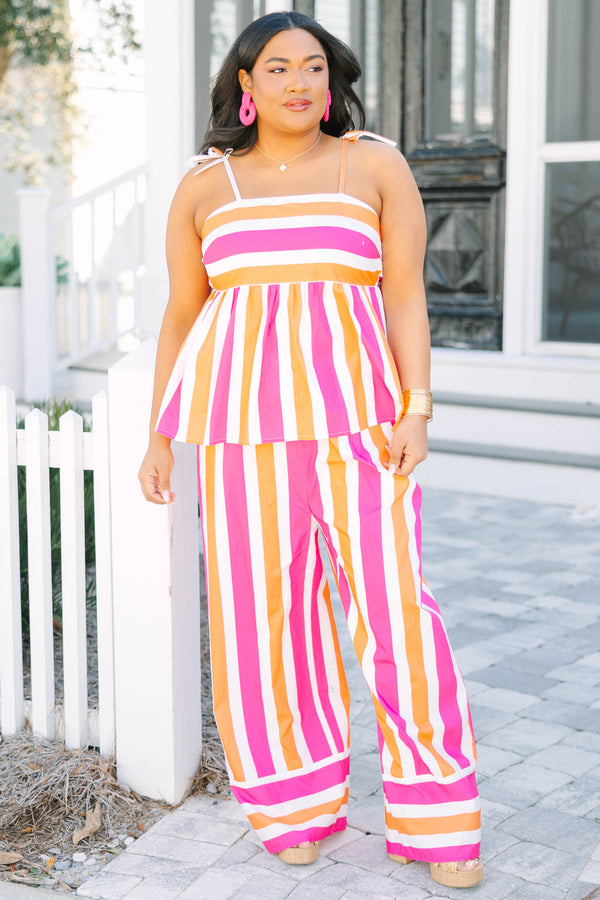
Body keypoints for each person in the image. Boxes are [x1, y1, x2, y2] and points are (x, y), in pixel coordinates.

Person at [138, 11, 482, 890]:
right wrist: (158, 435)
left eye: (315, 66)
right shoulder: (205, 187)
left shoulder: (373, 161)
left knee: (398, 616)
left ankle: (438, 817)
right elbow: (183, 314)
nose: (300, 81)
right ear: (245, 88)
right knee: (264, 624)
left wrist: (418, 409)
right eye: (278, 67)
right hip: (242, 435)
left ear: (333, 81)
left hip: (362, 428)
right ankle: (294, 806)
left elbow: (405, 297)